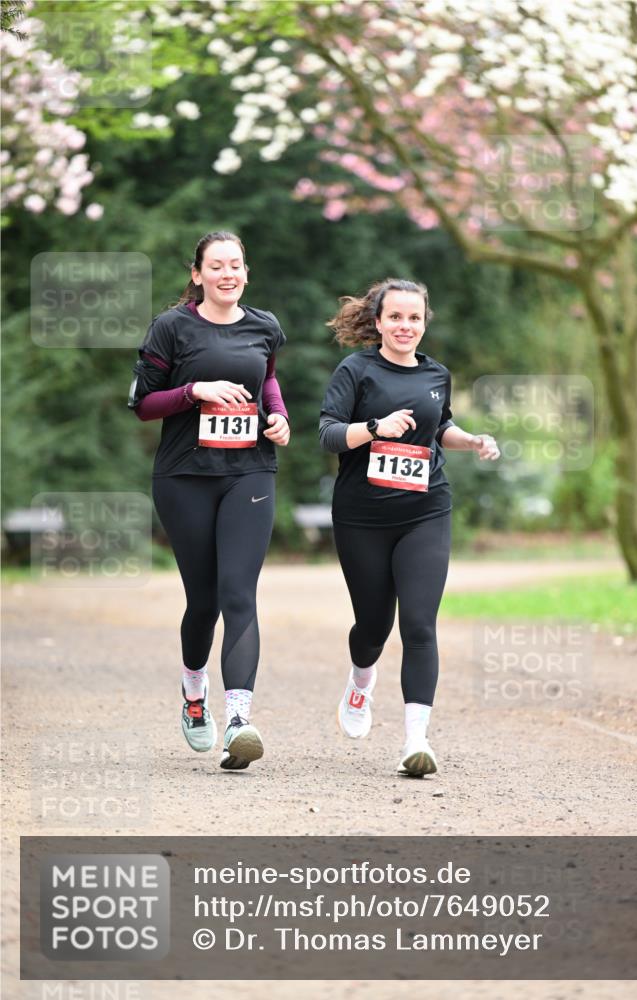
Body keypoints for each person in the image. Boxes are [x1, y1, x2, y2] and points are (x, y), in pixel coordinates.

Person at [320, 278, 499, 777]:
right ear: (377, 322)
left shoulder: (436, 373)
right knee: (374, 626)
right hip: (362, 517)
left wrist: (474, 441)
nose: (405, 326)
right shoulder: (356, 370)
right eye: (395, 317)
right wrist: (375, 429)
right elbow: (329, 433)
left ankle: (415, 741)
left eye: (414, 318)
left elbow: (441, 427)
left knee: (419, 624)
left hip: (425, 511)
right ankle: (360, 682)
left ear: (424, 323)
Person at [129, 230, 289, 771]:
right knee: (205, 601)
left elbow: (267, 379)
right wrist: (194, 392)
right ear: (197, 275)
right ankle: (194, 693)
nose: (228, 273)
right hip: (185, 476)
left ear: (246, 272)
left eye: (236, 265)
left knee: (240, 592)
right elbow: (143, 403)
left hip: (250, 472)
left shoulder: (264, 326)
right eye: (216, 265)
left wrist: (279, 415)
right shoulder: (172, 327)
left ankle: (240, 720)